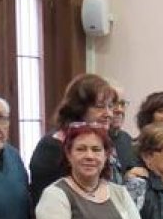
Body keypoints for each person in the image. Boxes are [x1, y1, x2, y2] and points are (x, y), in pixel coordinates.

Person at [28, 73, 117, 204]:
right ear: (78, 108)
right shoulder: (53, 146)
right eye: (99, 107)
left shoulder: (105, 141)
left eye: (110, 106)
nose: (108, 114)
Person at [107, 80, 138, 169]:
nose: (119, 109)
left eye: (122, 104)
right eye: (113, 103)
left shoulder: (126, 139)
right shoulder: (85, 141)